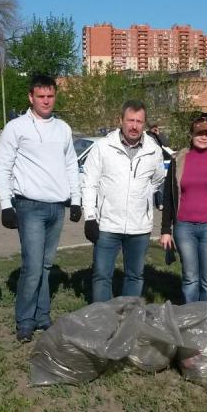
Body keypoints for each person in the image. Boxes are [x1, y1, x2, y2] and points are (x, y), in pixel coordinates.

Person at [0, 74, 81, 343]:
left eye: (50, 96)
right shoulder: (16, 128)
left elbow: (71, 165)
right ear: (30, 97)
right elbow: (3, 167)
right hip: (29, 206)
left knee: (45, 266)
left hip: (57, 207)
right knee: (32, 266)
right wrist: (6, 205)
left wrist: (76, 200)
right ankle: (25, 321)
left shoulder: (63, 129)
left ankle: (42, 316)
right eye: (41, 96)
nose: (46, 101)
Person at [81, 100, 165, 302]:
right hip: (107, 225)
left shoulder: (153, 151)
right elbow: (89, 183)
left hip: (139, 227)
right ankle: (102, 317)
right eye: (130, 120)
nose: (134, 126)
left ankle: (129, 317)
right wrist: (90, 217)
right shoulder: (103, 147)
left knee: (135, 276)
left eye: (139, 121)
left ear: (144, 124)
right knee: (102, 276)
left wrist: (142, 198)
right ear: (121, 120)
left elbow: (157, 179)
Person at [160, 116, 207, 303]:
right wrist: (165, 230)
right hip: (184, 228)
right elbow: (168, 197)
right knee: (190, 278)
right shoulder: (178, 159)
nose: (204, 137)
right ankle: (191, 316)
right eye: (199, 133)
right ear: (191, 134)